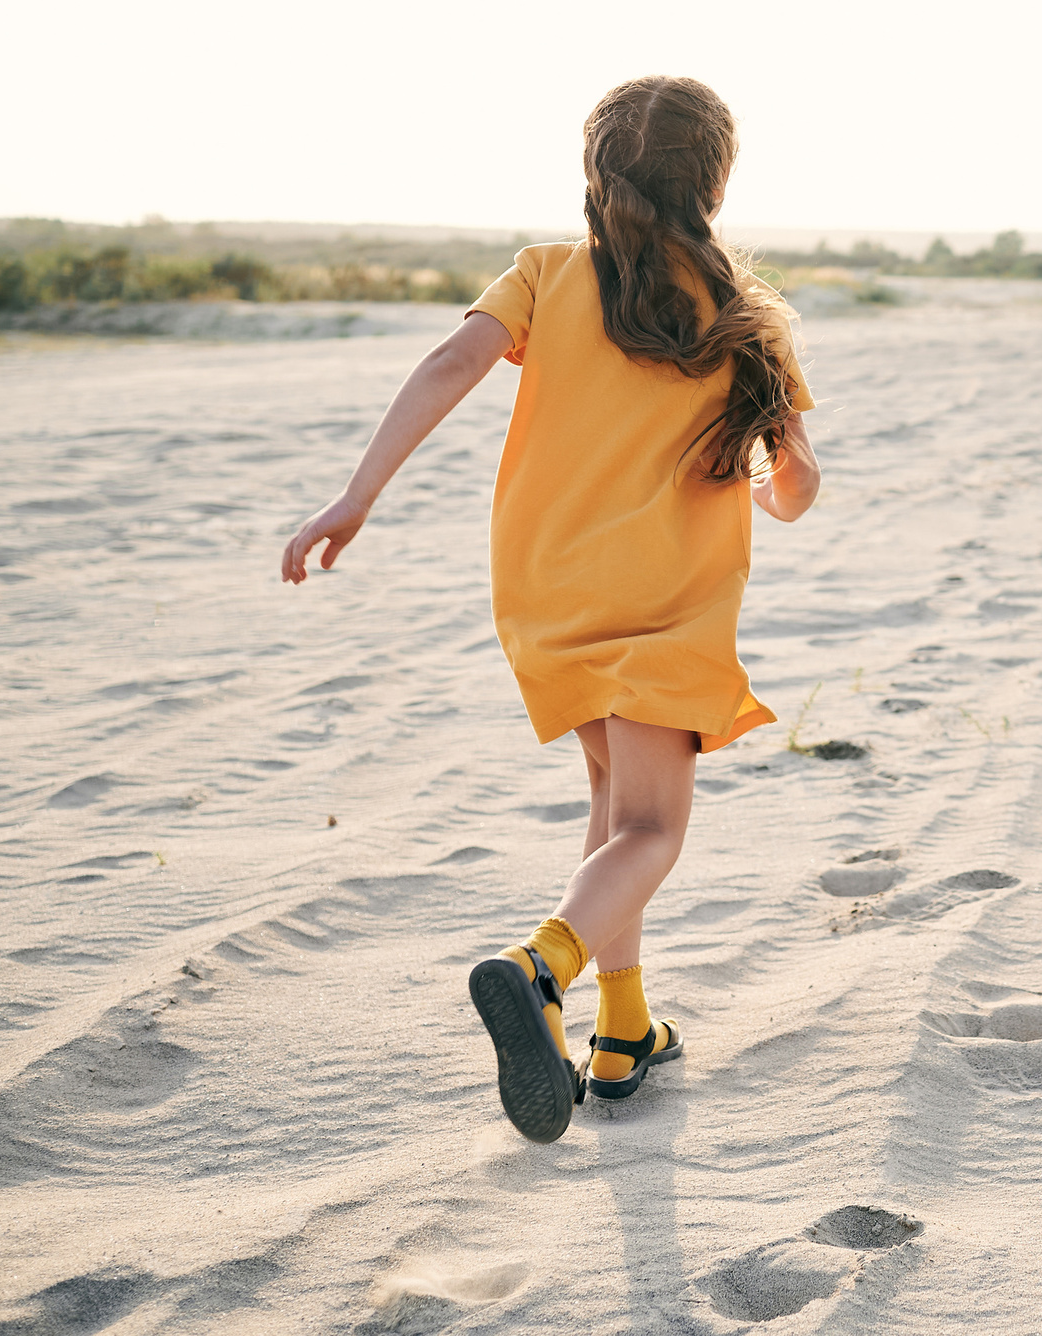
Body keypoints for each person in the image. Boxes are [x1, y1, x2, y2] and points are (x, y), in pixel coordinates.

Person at [278, 76, 819, 1143]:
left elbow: (449, 363)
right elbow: (797, 486)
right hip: (668, 606)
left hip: (547, 590)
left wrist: (357, 496)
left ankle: (623, 1030)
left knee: (616, 803)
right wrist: (762, 484)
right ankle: (541, 971)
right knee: (656, 828)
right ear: (714, 179)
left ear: (597, 171)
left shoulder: (544, 273)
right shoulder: (745, 317)